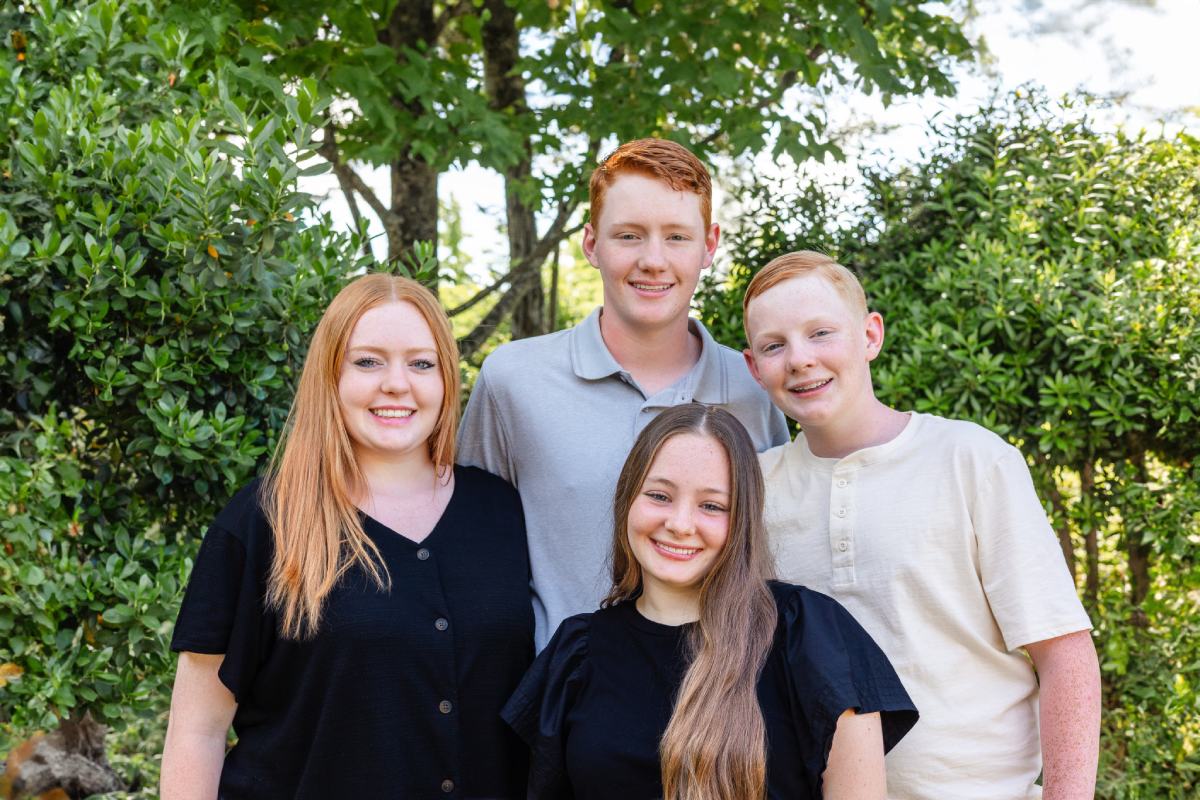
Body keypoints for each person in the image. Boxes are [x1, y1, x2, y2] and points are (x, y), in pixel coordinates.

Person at [742, 251, 1101, 799]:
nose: (799, 360)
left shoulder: (972, 459)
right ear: (752, 367)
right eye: (774, 345)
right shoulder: (752, 489)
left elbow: (1064, 652)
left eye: (821, 333)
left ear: (870, 335)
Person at [159, 274, 534, 799]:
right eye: (368, 361)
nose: (396, 383)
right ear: (329, 374)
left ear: (447, 378)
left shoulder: (502, 512)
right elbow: (197, 731)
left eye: (421, 363)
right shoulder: (266, 520)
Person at [459, 137, 789, 650]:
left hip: (720, 705)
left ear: (710, 245)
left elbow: (769, 554)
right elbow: (473, 555)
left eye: (677, 237)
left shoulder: (755, 386)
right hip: (559, 710)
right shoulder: (514, 380)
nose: (653, 260)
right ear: (591, 244)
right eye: (629, 236)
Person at [502, 403, 917, 799]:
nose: (680, 524)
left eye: (712, 506)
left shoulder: (809, 635)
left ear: (742, 520)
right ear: (628, 499)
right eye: (660, 496)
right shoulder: (578, 653)